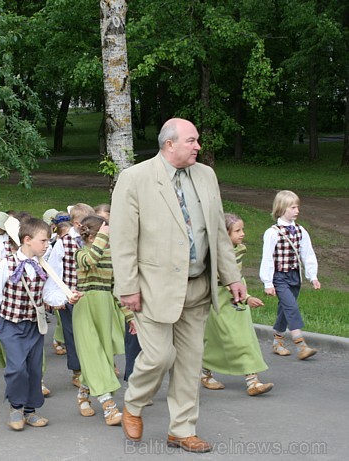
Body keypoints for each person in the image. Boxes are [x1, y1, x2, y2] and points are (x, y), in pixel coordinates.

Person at [110, 118, 245, 453]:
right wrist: (127, 286)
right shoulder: (135, 178)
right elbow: (123, 239)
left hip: (198, 287)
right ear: (169, 144)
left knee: (189, 362)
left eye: (197, 140)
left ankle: (182, 430)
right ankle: (135, 402)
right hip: (153, 288)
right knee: (158, 357)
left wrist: (232, 277)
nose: (198, 146)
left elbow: (216, 231)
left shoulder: (206, 175)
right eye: (192, 140)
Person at [0, 217, 77, 431]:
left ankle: (31, 410)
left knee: (34, 369)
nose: (47, 245)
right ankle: (16, 407)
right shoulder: (8, 264)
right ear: (27, 240)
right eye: (43, 241)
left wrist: (65, 299)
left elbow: (49, 294)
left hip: (34, 325)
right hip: (10, 324)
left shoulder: (43, 265)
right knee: (17, 368)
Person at [202, 213, 273, 396]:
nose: (242, 234)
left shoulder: (240, 248)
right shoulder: (213, 253)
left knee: (245, 337)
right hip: (220, 297)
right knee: (217, 339)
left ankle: (252, 381)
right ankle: (204, 371)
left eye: (242, 229)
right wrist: (247, 297)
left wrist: (244, 294)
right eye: (237, 230)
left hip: (237, 295)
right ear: (224, 234)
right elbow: (222, 278)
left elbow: (235, 276)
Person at [72, 215, 126, 425]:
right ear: (94, 236)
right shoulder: (80, 253)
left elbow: (117, 287)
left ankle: (83, 395)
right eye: (106, 234)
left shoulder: (110, 255)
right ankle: (108, 406)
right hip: (85, 305)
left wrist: (129, 317)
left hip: (105, 308)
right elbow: (90, 260)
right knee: (92, 353)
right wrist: (102, 237)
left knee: (101, 355)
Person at [260, 190, 321, 360]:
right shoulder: (272, 232)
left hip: (294, 276)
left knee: (285, 310)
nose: (297, 210)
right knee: (291, 307)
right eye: (293, 207)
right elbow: (267, 258)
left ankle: (277, 343)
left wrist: (313, 276)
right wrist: (268, 282)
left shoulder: (300, 231)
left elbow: (308, 254)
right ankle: (301, 344)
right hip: (279, 277)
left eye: (297, 207)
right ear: (281, 208)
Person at [44, 203, 95, 387]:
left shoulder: (93, 240)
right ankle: (77, 371)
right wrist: (56, 298)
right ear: (75, 223)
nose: (88, 225)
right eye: (84, 222)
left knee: (91, 334)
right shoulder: (63, 243)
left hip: (90, 295)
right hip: (69, 297)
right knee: (72, 335)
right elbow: (54, 272)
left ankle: (93, 368)